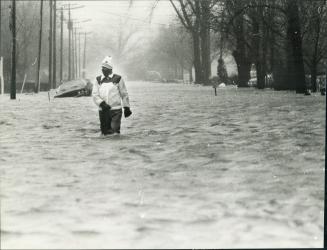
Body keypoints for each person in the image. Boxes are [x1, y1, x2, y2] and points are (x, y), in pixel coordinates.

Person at [92, 56, 132, 135]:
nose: (103, 69)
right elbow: (95, 95)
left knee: (114, 132)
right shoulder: (98, 80)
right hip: (103, 111)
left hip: (116, 110)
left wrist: (126, 107)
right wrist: (102, 104)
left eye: (105, 68)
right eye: (102, 68)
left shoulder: (118, 78)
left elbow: (124, 94)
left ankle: (115, 145)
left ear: (110, 69)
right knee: (105, 134)